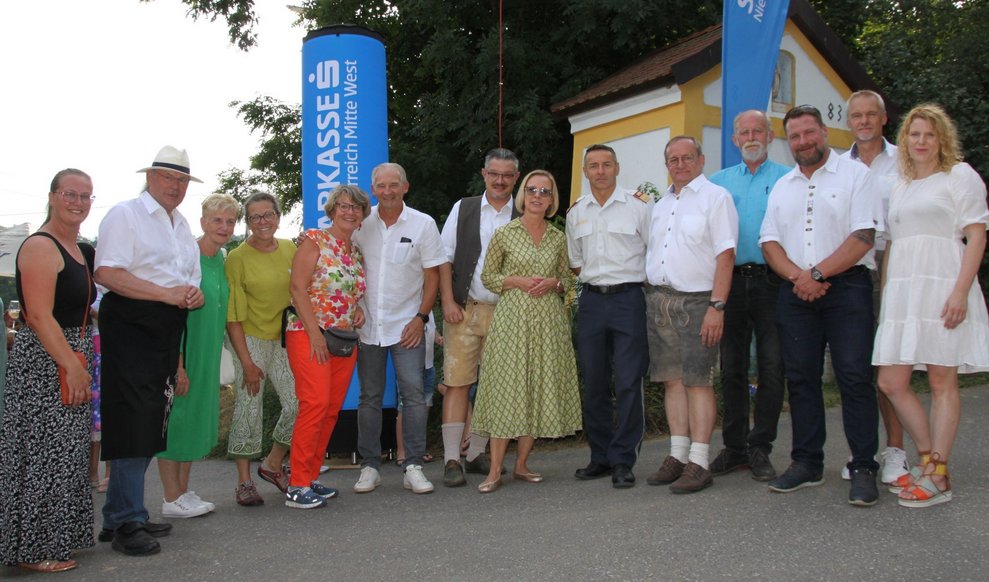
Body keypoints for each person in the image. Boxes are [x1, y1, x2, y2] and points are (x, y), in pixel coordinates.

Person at [759, 105, 884, 506]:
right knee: (800, 378)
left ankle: (863, 466)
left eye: (809, 133)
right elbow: (769, 242)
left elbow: (863, 236)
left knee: (854, 376)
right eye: (794, 136)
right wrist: (800, 277)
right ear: (787, 141)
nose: (802, 142)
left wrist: (817, 275)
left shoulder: (856, 175)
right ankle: (807, 462)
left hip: (847, 289)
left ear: (824, 132)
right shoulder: (783, 186)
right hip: (795, 291)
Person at [873, 104, 989, 507]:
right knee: (891, 381)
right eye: (914, 134)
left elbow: (976, 236)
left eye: (928, 134)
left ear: (942, 139)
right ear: (905, 140)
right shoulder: (901, 184)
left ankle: (938, 473)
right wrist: (888, 297)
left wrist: (960, 292)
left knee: (942, 381)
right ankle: (927, 461)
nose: (920, 141)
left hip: (943, 286)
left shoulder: (958, 176)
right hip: (904, 294)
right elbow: (893, 245)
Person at [96, 146, 204, 555]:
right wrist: (167, 294)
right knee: (133, 418)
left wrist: (190, 296)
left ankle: (120, 513)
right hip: (131, 322)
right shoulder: (126, 214)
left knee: (151, 418)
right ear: (151, 178)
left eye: (182, 181)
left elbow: (187, 280)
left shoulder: (179, 225)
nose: (176, 186)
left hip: (164, 324)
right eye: (168, 178)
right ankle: (126, 521)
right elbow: (106, 272)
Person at [0, 169, 96, 573]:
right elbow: (38, 315)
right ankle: (32, 548)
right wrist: (70, 365)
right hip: (45, 359)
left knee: (66, 453)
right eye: (70, 194)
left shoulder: (76, 247)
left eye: (86, 196)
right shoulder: (40, 245)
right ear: (53, 196)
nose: (78, 202)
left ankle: (57, 536)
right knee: (40, 453)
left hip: (69, 354)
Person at [471, 169, 582, 493]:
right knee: (508, 390)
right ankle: (494, 470)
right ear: (523, 195)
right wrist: (516, 281)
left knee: (535, 388)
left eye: (544, 191)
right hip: (511, 322)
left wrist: (556, 283)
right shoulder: (505, 234)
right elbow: (488, 277)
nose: (537, 195)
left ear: (551, 199)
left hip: (547, 323)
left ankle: (521, 465)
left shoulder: (558, 238)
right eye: (532, 190)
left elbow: (571, 279)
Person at [644, 137, 738, 494]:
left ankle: (700, 461)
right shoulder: (660, 204)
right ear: (666, 163)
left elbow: (725, 256)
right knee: (672, 380)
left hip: (700, 302)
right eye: (672, 159)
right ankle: (678, 455)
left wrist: (717, 306)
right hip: (661, 301)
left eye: (687, 158)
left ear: (701, 159)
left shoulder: (716, 198)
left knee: (698, 381)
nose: (680, 164)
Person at [352, 162, 446, 495]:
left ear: (405, 187)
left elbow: (433, 274)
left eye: (394, 185)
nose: (387, 191)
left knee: (414, 397)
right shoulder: (360, 224)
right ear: (373, 188)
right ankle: (369, 466)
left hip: (408, 326)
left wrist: (420, 319)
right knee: (370, 399)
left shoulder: (423, 223)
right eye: (381, 185)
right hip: (369, 328)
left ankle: (414, 466)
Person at [708, 111, 790, 481]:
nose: (752, 136)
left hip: (774, 281)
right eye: (744, 132)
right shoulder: (718, 185)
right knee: (733, 367)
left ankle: (761, 447)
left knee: (773, 366)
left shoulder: (788, 180)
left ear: (771, 136)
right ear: (734, 140)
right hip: (731, 282)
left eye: (758, 130)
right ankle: (735, 447)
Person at [566, 144, 652, 489]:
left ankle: (623, 459)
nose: (600, 171)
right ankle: (600, 456)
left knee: (630, 382)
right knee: (595, 382)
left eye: (606, 165)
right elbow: (575, 260)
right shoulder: (576, 213)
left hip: (628, 300)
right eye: (593, 166)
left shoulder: (639, 206)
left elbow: (654, 249)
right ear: (585, 172)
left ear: (617, 168)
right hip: (592, 302)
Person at [437, 147, 520, 486]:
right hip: (465, 309)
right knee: (457, 383)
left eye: (507, 175)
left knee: (495, 385)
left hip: (508, 313)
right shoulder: (464, 207)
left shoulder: (526, 210)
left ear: (516, 177)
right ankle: (452, 459)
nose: (500, 180)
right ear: (484, 174)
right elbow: (443, 258)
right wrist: (447, 301)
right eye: (494, 174)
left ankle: (476, 454)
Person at [839, 89, 909, 485]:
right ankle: (861, 446)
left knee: (889, 362)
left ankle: (896, 449)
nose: (863, 121)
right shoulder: (838, 166)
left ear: (884, 119)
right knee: (857, 365)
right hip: (853, 268)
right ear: (848, 122)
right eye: (856, 116)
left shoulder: (905, 160)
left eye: (871, 115)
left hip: (896, 262)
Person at [284, 185, 369, 509]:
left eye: (356, 208)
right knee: (315, 404)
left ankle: (309, 477)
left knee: (331, 409)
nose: (349, 212)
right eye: (343, 206)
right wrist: (315, 333)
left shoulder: (354, 251)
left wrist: (356, 309)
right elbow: (297, 288)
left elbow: (347, 292)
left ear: (362, 215)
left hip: (342, 338)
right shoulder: (314, 241)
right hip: (309, 335)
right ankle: (297, 484)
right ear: (332, 210)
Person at [155, 194, 239, 517]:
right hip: (184, 350)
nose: (223, 226)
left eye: (230, 221)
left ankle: (183, 491)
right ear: (202, 222)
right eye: (217, 220)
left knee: (194, 420)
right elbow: (171, 314)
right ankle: (170, 496)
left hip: (207, 350)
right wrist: (177, 365)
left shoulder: (223, 258)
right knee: (175, 420)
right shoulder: (186, 255)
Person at [224, 192, 299, 505]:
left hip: (283, 336)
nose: (263, 222)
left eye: (268, 214)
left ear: (278, 216)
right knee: (249, 407)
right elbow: (233, 317)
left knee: (300, 403)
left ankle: (272, 463)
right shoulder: (237, 258)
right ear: (248, 222)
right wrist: (247, 362)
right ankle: (244, 483)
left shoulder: (290, 248)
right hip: (249, 338)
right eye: (255, 217)